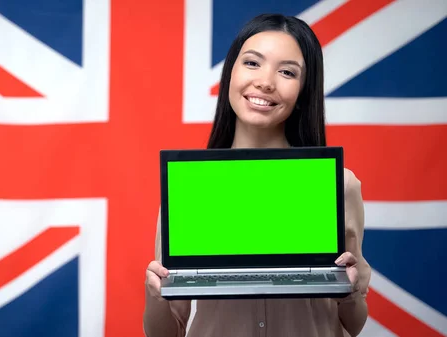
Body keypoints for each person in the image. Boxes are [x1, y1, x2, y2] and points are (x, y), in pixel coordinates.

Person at [143, 13, 372, 337]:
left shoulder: (339, 185)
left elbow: (353, 323)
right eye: (252, 63)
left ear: (305, 88)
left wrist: (349, 293)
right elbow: (166, 332)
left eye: (287, 71)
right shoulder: (187, 187)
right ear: (230, 72)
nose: (266, 81)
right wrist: (155, 294)